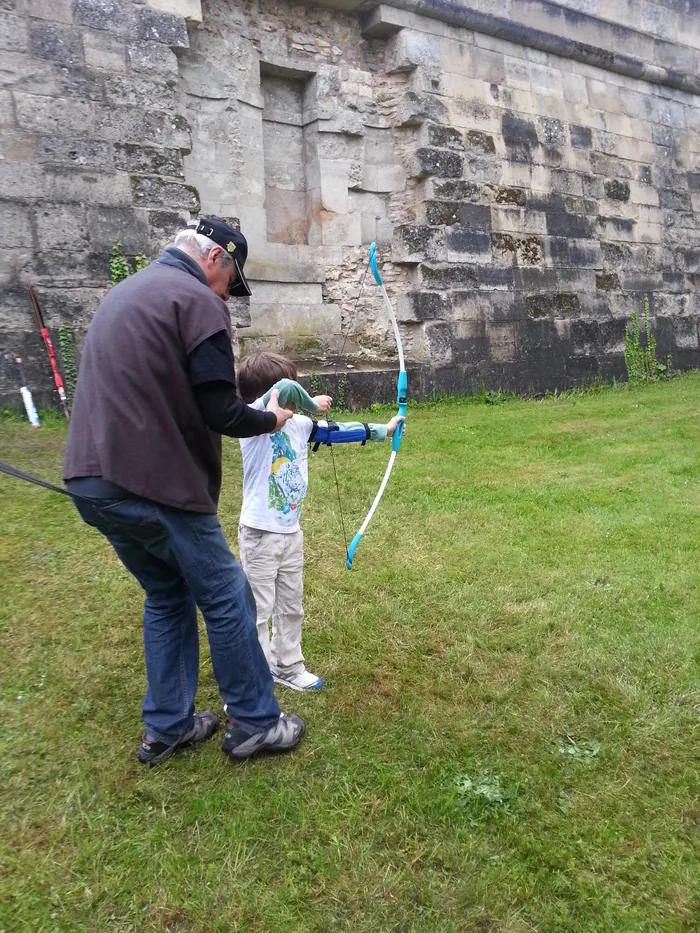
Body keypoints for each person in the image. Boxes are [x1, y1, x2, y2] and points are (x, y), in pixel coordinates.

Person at [63, 218, 306, 767]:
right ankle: (256, 723)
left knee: (168, 594)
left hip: (91, 481)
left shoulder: (128, 292)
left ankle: (166, 728)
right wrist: (269, 420)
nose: (226, 296)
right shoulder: (197, 300)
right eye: (229, 283)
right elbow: (219, 409)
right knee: (227, 595)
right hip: (153, 484)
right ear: (216, 258)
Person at [236, 351, 405, 691]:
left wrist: (382, 431)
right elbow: (283, 389)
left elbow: (338, 432)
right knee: (258, 611)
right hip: (259, 535)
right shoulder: (252, 419)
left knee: (290, 605)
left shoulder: (300, 425)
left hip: (290, 534)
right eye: (292, 395)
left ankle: (287, 666)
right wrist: (311, 402)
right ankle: (252, 680)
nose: (293, 401)